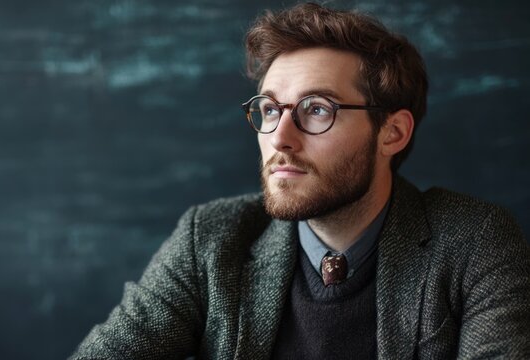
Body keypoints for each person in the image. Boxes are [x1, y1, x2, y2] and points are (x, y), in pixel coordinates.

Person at [69, 3, 529, 359]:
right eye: (270, 110)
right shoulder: (209, 239)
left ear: (393, 132)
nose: (280, 138)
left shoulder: (475, 242)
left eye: (317, 109)